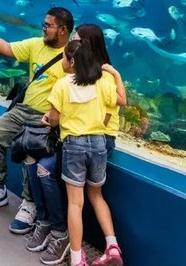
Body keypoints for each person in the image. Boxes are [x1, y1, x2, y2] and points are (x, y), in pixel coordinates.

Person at [0, 7, 74, 254]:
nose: (43, 28)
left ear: (63, 30)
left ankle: (29, 204)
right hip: (23, 108)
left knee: (29, 155)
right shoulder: (37, 44)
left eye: (48, 25)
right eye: (44, 24)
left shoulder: (71, 56)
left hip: (46, 117)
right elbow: (6, 47)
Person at [43, 25, 126, 266]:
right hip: (99, 143)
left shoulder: (62, 85)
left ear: (70, 61)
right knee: (97, 196)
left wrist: (47, 119)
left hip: (74, 145)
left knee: (75, 203)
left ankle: (77, 259)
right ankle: (112, 246)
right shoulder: (101, 80)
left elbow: (54, 117)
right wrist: (116, 75)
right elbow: (121, 100)